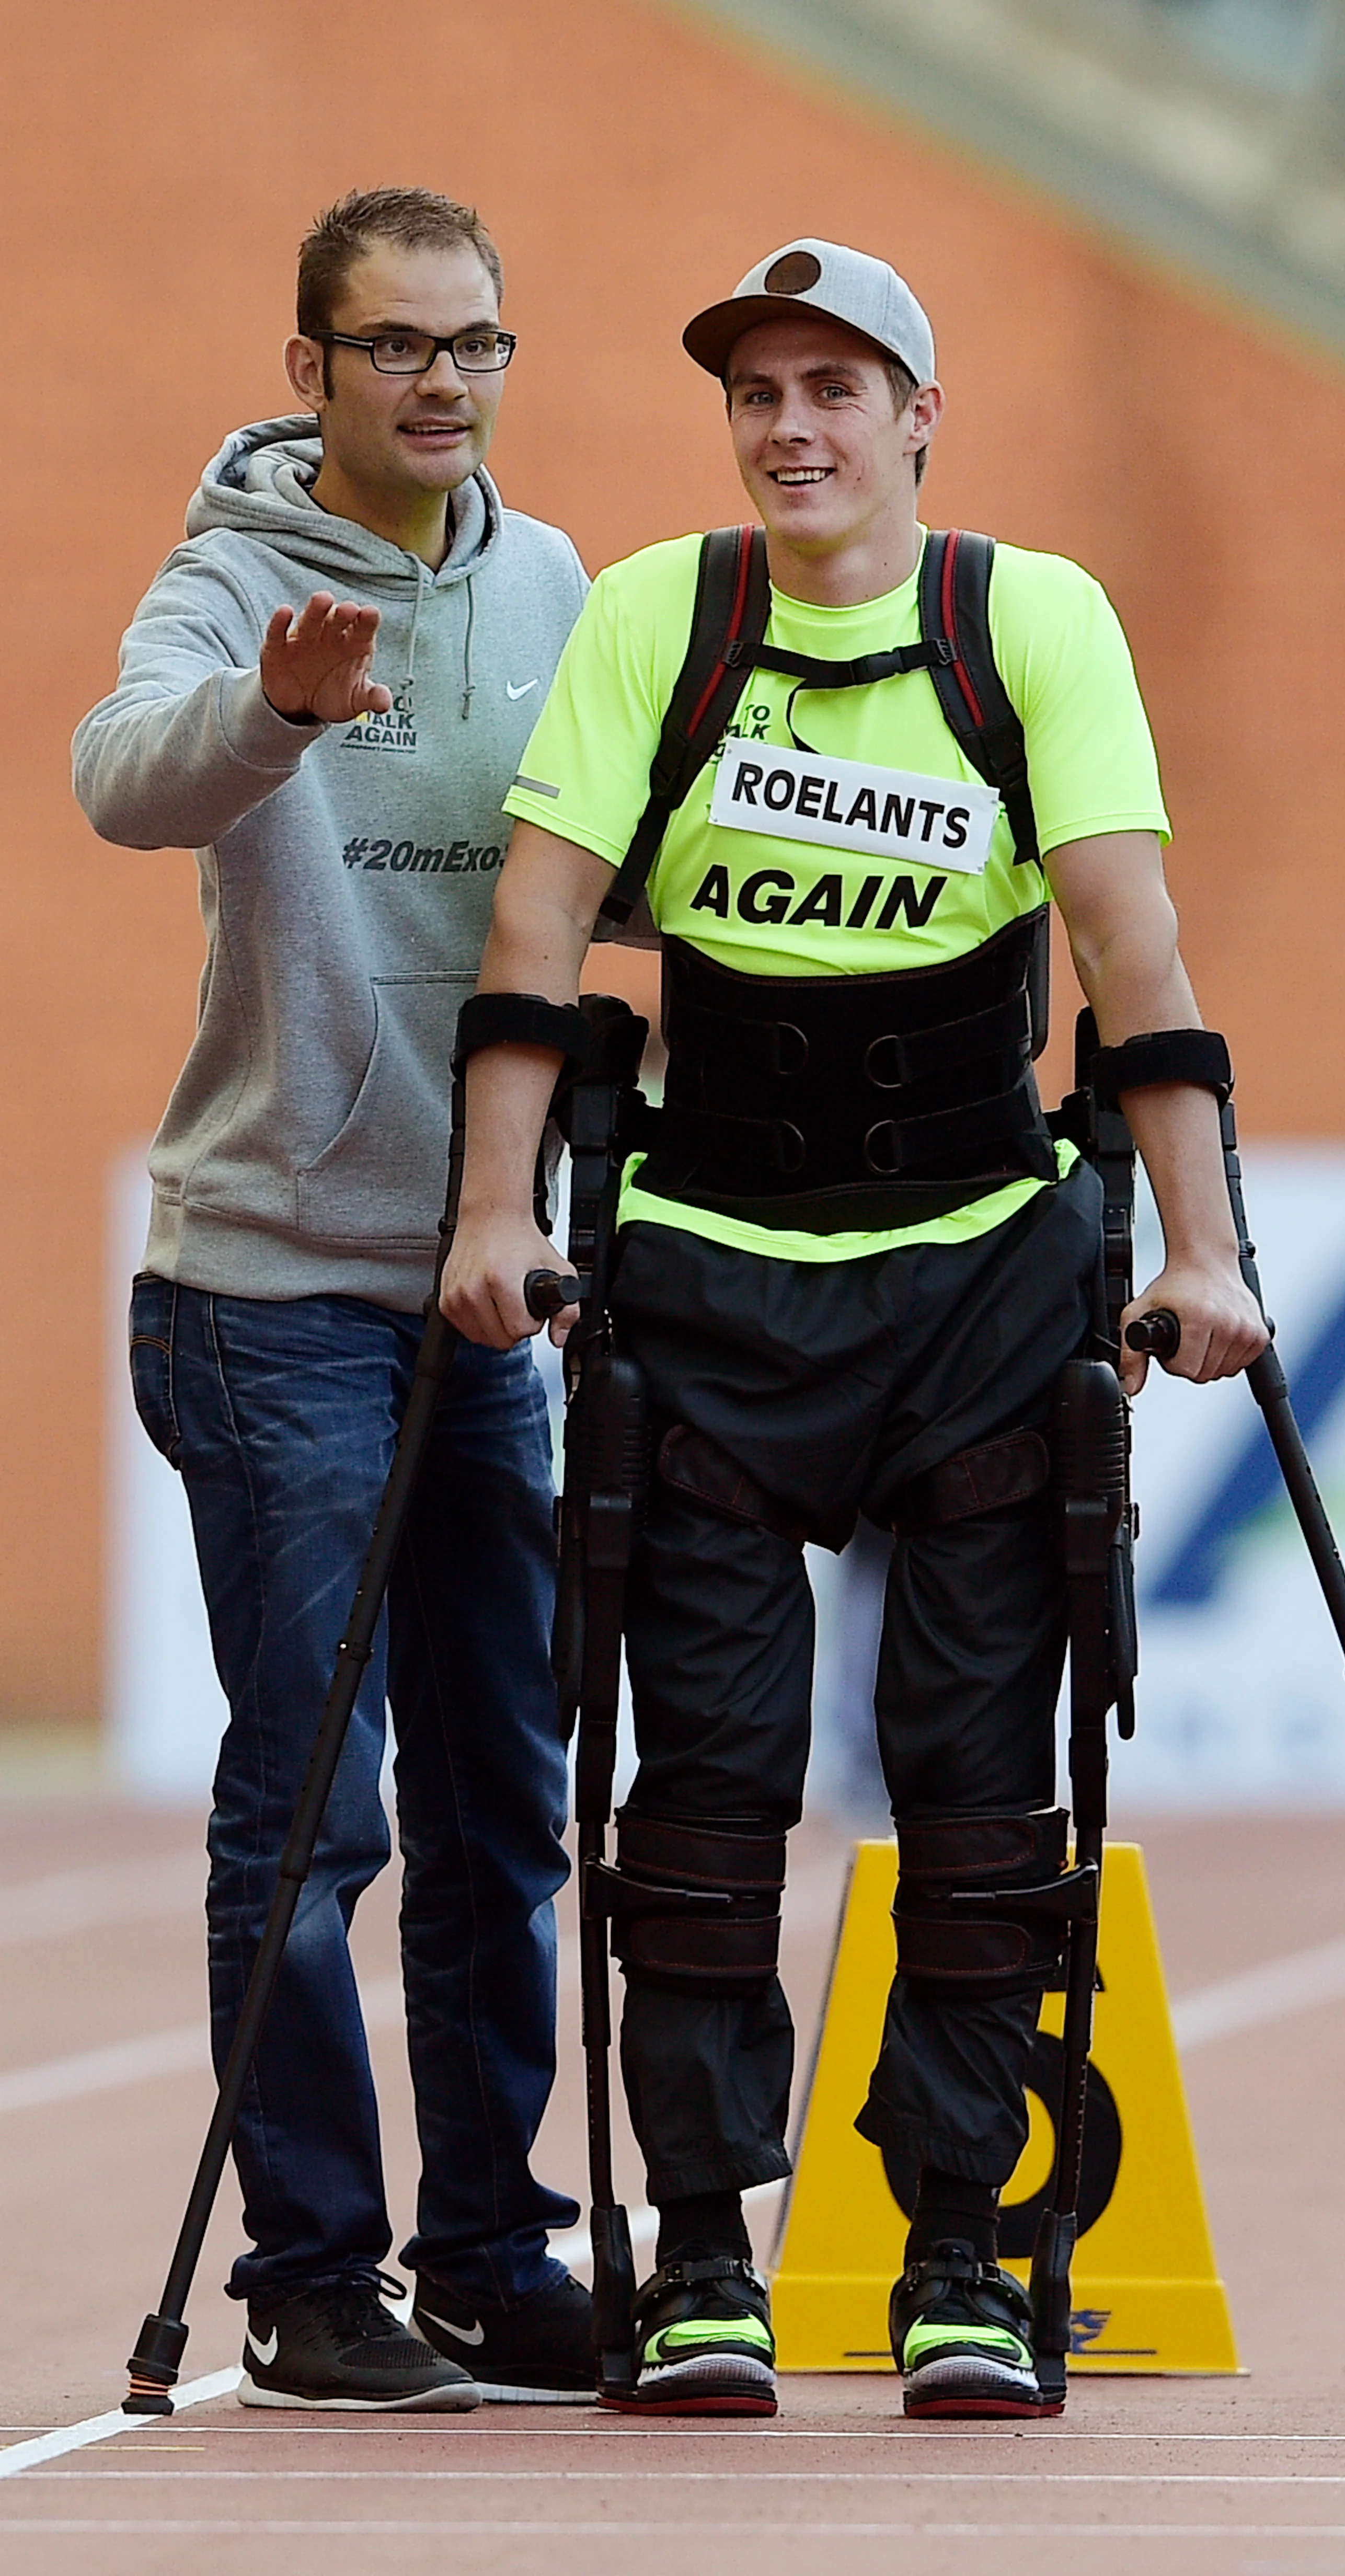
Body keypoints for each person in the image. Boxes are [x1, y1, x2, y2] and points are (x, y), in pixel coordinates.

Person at [441, 237, 1268, 2421]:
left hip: (982, 1277)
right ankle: (704, 2249)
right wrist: (490, 1215)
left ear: (919, 414)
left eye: (835, 386)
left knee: (984, 1792)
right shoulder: (661, 616)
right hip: (706, 1271)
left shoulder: (1030, 621)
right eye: (757, 391)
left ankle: (960, 2259)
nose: (790, 425)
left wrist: (1200, 1250)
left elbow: (1128, 940)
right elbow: (539, 926)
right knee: (700, 1790)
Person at [74, 187, 597, 2412]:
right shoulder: (235, 573)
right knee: (312, 1800)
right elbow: (123, 774)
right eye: (395, 346)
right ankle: (311, 2263)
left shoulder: (560, 578)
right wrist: (273, 717)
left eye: (474, 343)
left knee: (504, 1790)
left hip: (486, 1278)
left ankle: (492, 2241)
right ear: (312, 369)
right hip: (272, 1285)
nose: (443, 382)